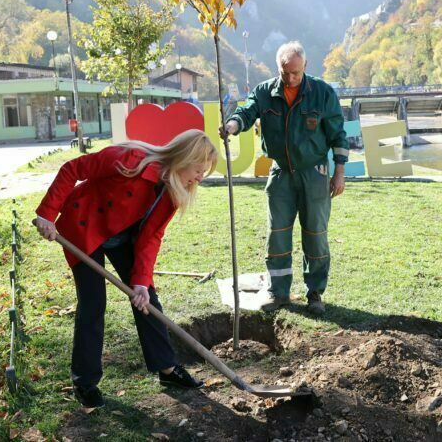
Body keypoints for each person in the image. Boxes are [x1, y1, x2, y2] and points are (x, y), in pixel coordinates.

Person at [34, 129, 218, 408]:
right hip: (86, 226)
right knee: (93, 302)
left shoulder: (173, 191)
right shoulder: (130, 159)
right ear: (184, 158)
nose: (200, 178)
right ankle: (85, 381)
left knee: (146, 299)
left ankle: (166, 368)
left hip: (122, 235)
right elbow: (74, 169)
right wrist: (47, 214)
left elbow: (151, 236)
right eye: (199, 169)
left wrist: (141, 282)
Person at [222, 41, 348, 314]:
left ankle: (315, 293)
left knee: (315, 233)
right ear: (277, 67)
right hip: (280, 174)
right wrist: (232, 125)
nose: (290, 79)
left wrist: (339, 172)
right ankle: (278, 293)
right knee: (277, 235)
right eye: (285, 72)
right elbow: (247, 111)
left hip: (315, 172)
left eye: (296, 73)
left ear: (305, 67)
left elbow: (338, 134)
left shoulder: (323, 93)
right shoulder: (264, 92)